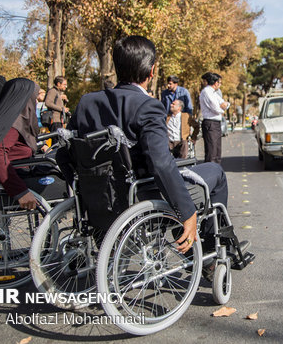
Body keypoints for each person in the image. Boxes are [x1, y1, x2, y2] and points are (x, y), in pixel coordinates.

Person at [67, 35, 230, 254]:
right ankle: (212, 253)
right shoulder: (148, 106)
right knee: (215, 172)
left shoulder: (87, 103)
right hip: (140, 197)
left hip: (96, 200)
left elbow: (65, 152)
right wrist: (187, 212)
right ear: (151, 70)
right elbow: (161, 165)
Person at [0, 78, 41, 210]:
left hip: (22, 167)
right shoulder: (15, 123)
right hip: (18, 174)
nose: (36, 102)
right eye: (34, 97)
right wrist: (20, 192)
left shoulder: (10, 118)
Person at [199, 73, 228, 164]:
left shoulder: (214, 93)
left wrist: (224, 105)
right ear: (215, 83)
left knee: (217, 151)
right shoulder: (207, 92)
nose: (220, 85)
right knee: (211, 152)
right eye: (219, 82)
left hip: (216, 123)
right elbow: (216, 109)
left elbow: (225, 104)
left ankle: (217, 172)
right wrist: (222, 107)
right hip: (210, 123)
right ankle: (210, 173)